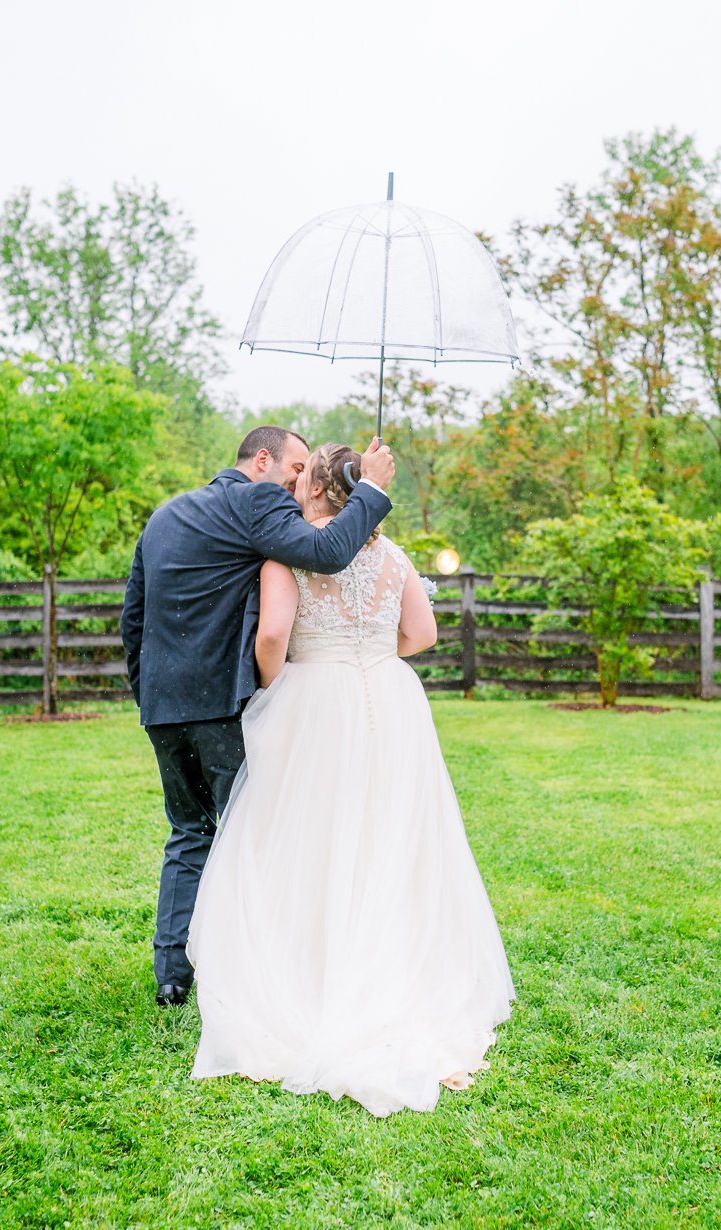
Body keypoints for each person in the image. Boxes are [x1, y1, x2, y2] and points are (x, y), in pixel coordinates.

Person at [187, 443, 515, 1118]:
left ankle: (312, 977)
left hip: (315, 701)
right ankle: (400, 972)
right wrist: (366, 651)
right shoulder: (395, 559)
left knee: (308, 836)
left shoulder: (289, 553)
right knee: (390, 833)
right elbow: (421, 635)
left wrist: (286, 686)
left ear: (310, 489)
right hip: (391, 701)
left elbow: (272, 636)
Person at [121, 426, 395, 1008]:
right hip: (223, 703)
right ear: (263, 459)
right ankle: (246, 970)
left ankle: (172, 975)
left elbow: (134, 616)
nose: (300, 481)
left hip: (163, 705)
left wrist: (147, 692)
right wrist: (369, 489)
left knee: (188, 831)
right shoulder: (257, 498)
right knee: (253, 835)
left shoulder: (165, 515)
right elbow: (324, 552)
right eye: (296, 467)